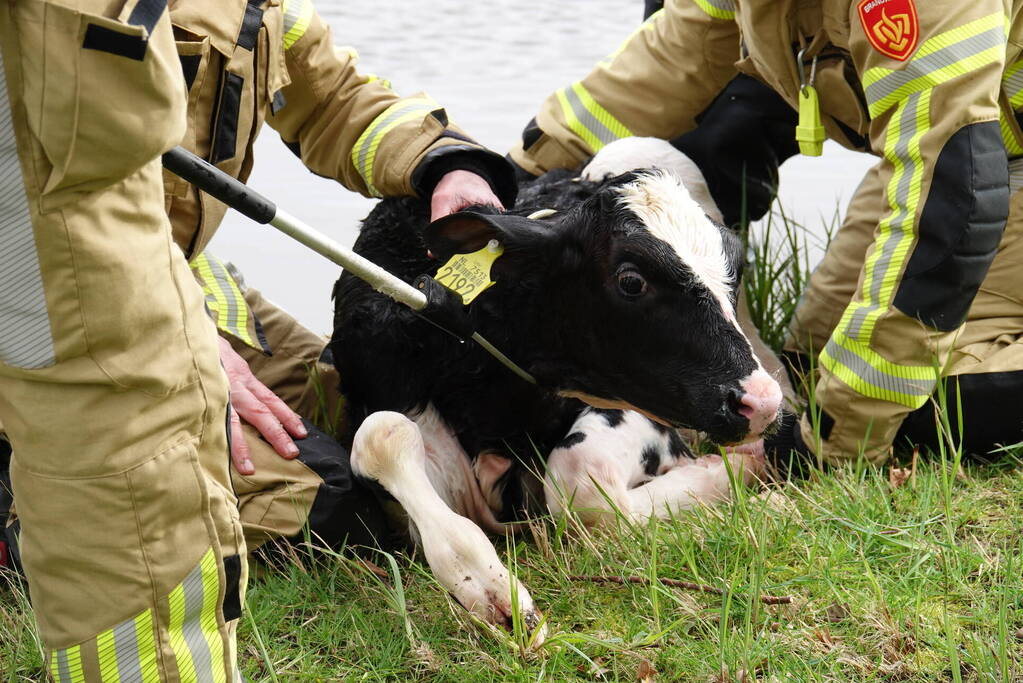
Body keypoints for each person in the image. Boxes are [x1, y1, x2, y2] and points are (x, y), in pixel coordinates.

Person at [1, 1, 514, 681]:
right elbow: (28, 202)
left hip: (183, 285)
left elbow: (329, 93)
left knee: (356, 402)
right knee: (337, 507)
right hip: (62, 306)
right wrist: (154, 320)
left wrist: (445, 163)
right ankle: (20, 515)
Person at [509, 0, 1023, 467]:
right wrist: (506, 178)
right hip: (978, 148)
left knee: (912, 404)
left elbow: (953, 205)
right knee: (810, 369)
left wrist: (828, 443)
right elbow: (662, 69)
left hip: (970, 169)